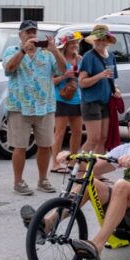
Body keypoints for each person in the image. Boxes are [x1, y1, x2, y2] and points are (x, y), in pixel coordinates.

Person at [22, 103, 130, 260]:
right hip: (128, 212)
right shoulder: (125, 149)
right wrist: (72, 158)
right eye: (129, 126)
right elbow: (94, 166)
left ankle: (97, 245)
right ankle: (48, 223)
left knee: (121, 185)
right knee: (90, 182)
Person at [3, 19, 65, 195]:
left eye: (34, 32)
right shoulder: (12, 51)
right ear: (20, 35)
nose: (31, 35)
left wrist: (55, 51)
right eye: (28, 32)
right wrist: (24, 51)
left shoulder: (47, 53)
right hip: (19, 106)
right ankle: (18, 182)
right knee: (19, 146)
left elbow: (62, 70)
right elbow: (9, 69)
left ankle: (43, 180)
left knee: (45, 146)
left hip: (44, 106)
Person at [79, 25, 120, 160]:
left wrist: (116, 90)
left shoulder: (111, 56)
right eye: (98, 39)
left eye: (103, 39)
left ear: (108, 39)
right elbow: (82, 82)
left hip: (106, 101)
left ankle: (95, 171)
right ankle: (77, 169)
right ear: (94, 40)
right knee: (93, 139)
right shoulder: (88, 57)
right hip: (91, 102)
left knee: (103, 138)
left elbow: (112, 80)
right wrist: (99, 76)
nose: (101, 42)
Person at [51, 32, 83, 173]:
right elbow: (51, 81)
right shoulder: (59, 60)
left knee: (77, 132)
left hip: (77, 99)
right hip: (61, 99)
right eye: (71, 44)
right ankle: (55, 164)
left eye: (76, 43)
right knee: (60, 132)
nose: (74, 46)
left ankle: (72, 161)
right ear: (65, 46)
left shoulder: (80, 60)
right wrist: (65, 75)